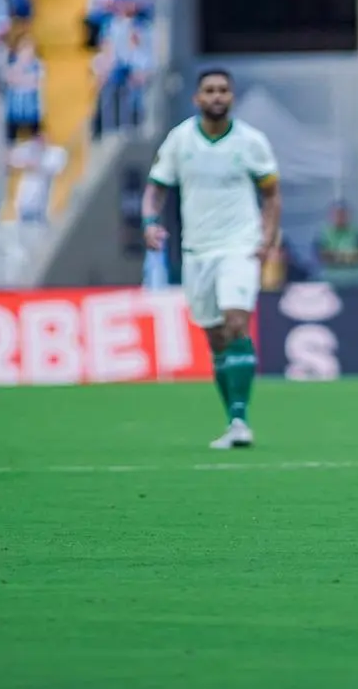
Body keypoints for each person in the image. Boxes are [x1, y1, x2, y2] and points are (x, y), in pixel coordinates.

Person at [142, 69, 281, 450]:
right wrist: (150, 222)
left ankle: (241, 419)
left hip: (240, 245)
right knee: (216, 335)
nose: (217, 96)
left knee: (237, 322)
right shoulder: (180, 140)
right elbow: (156, 189)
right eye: (209, 91)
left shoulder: (251, 142)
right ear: (197, 99)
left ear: (231, 97)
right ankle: (232, 418)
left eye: (223, 90)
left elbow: (271, 194)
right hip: (196, 250)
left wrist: (267, 239)